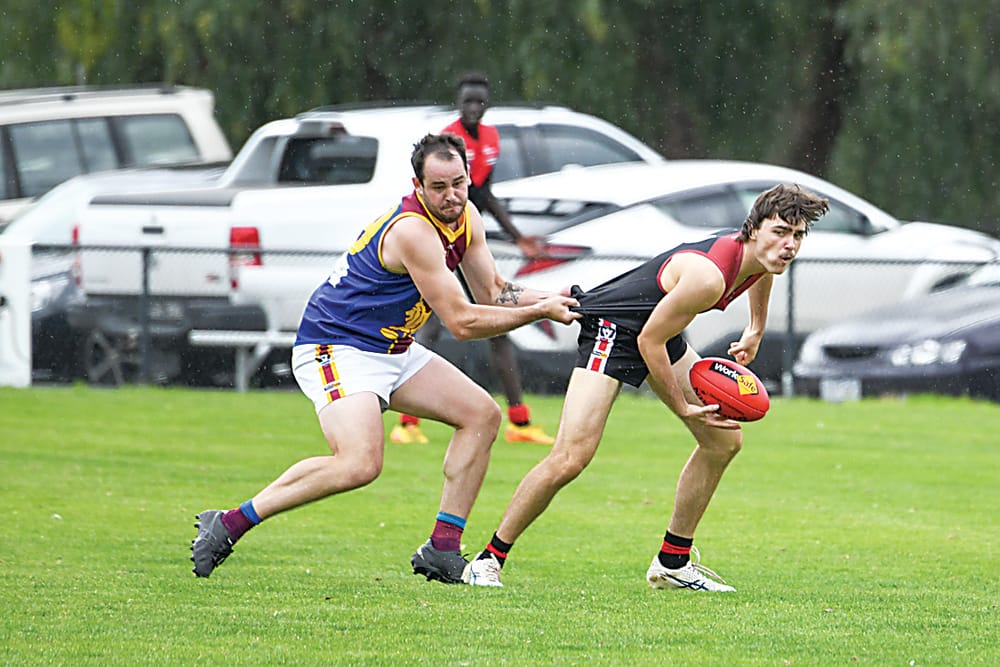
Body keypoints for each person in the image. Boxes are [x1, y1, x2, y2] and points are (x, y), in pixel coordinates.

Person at [190, 133, 580, 582]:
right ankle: (231, 522)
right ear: (418, 186)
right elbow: (462, 322)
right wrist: (540, 311)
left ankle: (442, 549)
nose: (452, 195)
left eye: (459, 183)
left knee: (482, 416)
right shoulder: (413, 231)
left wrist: (556, 296)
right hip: (336, 347)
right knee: (359, 463)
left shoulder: (466, 215)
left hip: (391, 349)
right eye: (439, 187)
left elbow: (493, 290)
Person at [462, 183, 829, 590]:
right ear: (754, 229)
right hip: (614, 331)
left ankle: (673, 562)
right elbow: (646, 341)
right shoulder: (708, 277)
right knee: (571, 457)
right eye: (780, 232)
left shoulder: (758, 255)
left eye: (798, 236)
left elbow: (761, 274)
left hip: (656, 331)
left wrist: (755, 328)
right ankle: (487, 560)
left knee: (723, 441)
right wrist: (682, 406)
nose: (789, 245)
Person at [391, 73, 554, 447]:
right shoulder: (450, 143)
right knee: (432, 327)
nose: (472, 108)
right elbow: (463, 195)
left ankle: (519, 421)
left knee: (495, 325)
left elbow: (483, 194)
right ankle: (407, 422)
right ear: (458, 103)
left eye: (479, 102)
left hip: (467, 240)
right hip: (441, 241)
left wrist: (517, 237)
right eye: (466, 101)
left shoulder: (492, 139)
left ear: (487, 104)